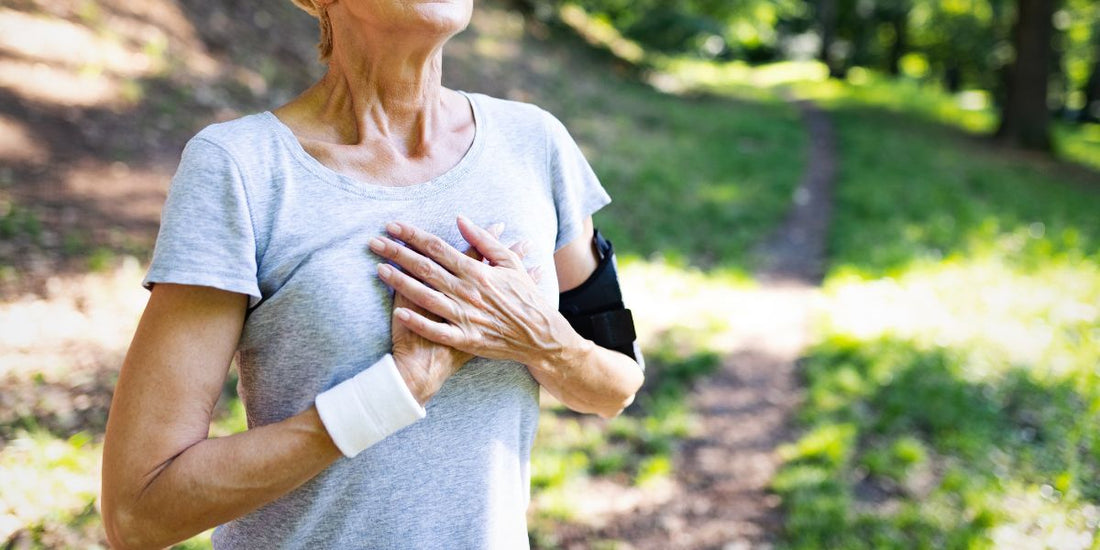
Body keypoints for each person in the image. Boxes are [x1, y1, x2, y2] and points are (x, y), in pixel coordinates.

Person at [100, 0, 644, 547]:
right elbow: (140, 510)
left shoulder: (535, 143)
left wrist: (540, 340)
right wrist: (395, 391)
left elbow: (617, 385)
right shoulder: (241, 169)